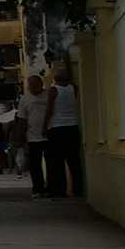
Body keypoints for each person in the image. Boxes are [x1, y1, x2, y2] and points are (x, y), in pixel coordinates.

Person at [44, 63, 85, 198]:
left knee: (57, 161)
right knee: (74, 160)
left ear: (55, 79)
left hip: (57, 127)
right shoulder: (73, 88)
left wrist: (45, 125)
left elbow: (49, 110)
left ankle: (60, 190)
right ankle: (78, 189)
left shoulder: (53, 90)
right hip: (72, 127)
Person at [19, 75, 50, 195]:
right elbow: (22, 119)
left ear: (41, 84)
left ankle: (50, 188)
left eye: (34, 85)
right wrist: (21, 138)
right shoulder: (24, 99)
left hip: (48, 135)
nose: (32, 88)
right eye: (30, 86)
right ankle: (38, 188)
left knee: (51, 163)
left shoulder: (48, 95)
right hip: (32, 137)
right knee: (35, 165)